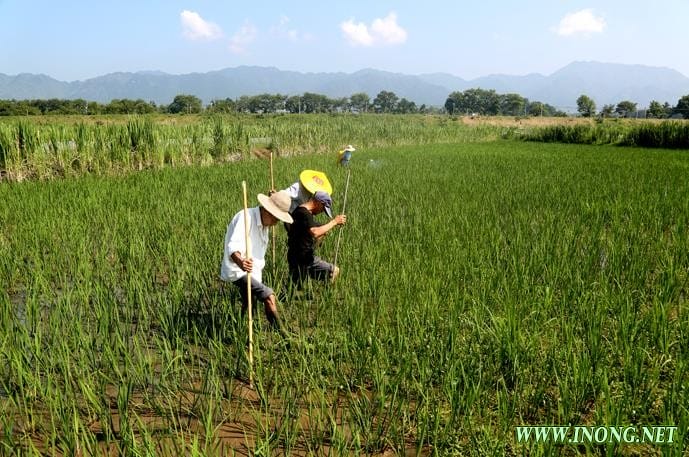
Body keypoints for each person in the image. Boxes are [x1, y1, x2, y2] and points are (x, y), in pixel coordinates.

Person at [220, 190, 293, 331]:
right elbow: (233, 247)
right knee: (268, 295)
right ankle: (284, 334)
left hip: (253, 271)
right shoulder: (246, 218)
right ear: (267, 210)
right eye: (275, 218)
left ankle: (242, 329)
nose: (275, 223)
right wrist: (241, 261)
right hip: (237, 270)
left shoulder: (265, 223)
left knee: (249, 302)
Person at [287, 191, 347, 285]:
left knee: (295, 287)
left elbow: (311, 232)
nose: (321, 211)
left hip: (301, 257)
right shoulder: (304, 213)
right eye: (323, 209)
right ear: (318, 203)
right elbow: (315, 232)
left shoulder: (302, 212)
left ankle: (325, 295)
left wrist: (323, 233)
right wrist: (334, 222)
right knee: (333, 271)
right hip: (303, 259)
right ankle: (327, 294)